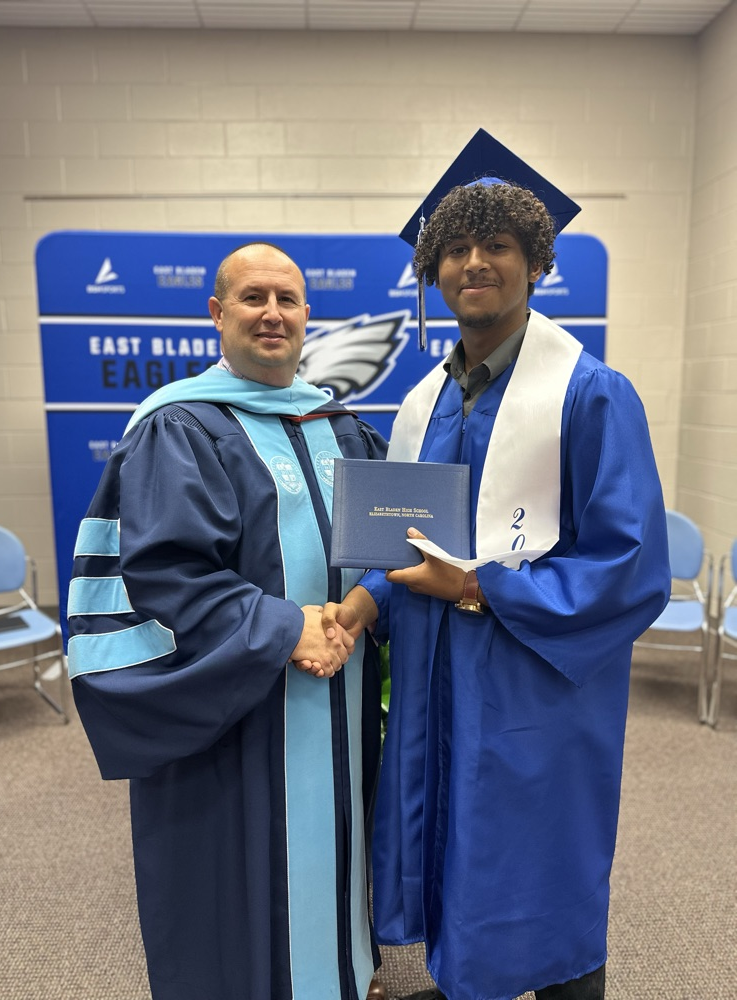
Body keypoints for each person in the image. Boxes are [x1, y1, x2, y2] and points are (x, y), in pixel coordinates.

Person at [320, 131, 671, 1000]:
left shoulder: (591, 394)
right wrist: (363, 605)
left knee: (543, 854)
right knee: (453, 834)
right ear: (433, 271)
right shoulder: (423, 402)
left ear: (535, 263)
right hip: (438, 674)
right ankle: (464, 974)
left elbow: (630, 567)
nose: (474, 261)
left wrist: (478, 586)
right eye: (455, 248)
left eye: (498, 245)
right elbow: (406, 545)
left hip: (538, 684)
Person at [66, 242, 390, 1000]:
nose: (272, 312)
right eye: (253, 298)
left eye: (288, 298)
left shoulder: (343, 428)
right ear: (217, 314)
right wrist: (286, 629)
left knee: (339, 845)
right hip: (239, 698)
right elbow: (165, 570)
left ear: (309, 315)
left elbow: (390, 544)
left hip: (339, 694)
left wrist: (366, 602)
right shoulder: (178, 427)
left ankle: (343, 973)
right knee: (233, 874)